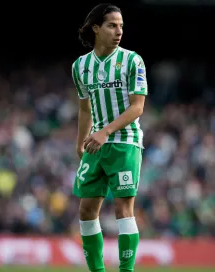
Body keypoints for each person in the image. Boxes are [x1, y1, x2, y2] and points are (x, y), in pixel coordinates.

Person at [71, 3, 147, 272]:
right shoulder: (80, 66)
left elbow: (137, 107)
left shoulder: (132, 60)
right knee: (86, 211)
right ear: (96, 28)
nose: (119, 31)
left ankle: (126, 270)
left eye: (121, 26)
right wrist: (81, 141)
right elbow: (84, 108)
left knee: (123, 210)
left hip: (124, 143)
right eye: (112, 25)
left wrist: (104, 132)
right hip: (96, 146)